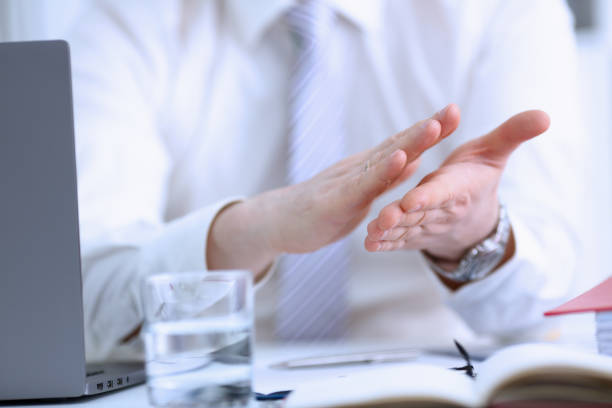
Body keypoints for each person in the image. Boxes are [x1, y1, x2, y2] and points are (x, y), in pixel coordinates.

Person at [68, 0, 585, 359]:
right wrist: (248, 232)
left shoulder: (504, 12)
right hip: (213, 382)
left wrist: (475, 237)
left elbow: (551, 302)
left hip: (438, 376)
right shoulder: (127, 22)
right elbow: (79, 297)